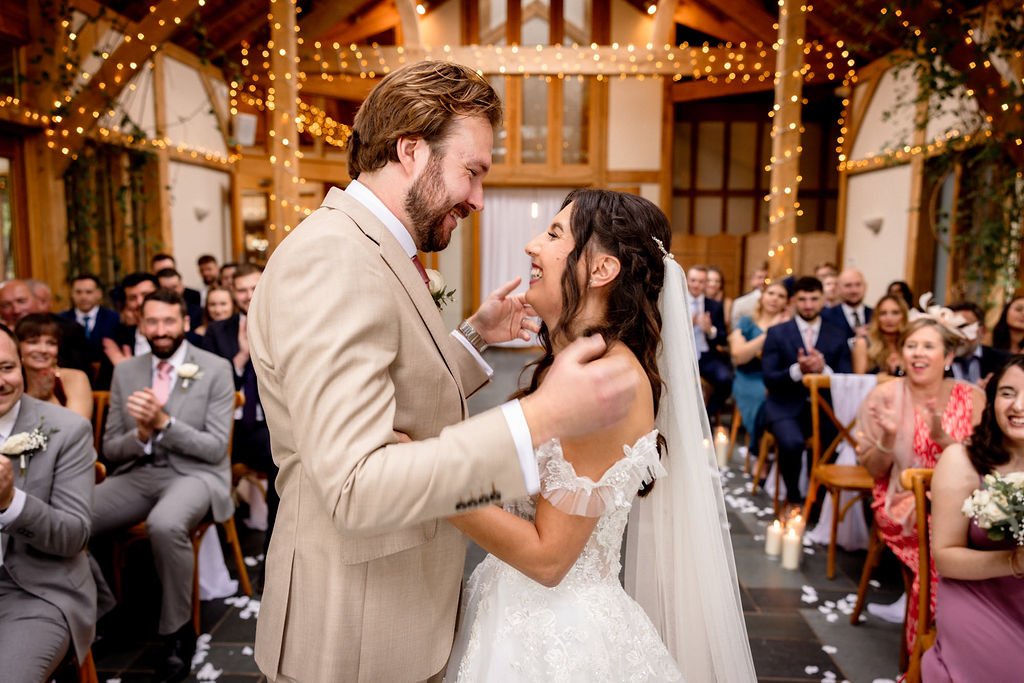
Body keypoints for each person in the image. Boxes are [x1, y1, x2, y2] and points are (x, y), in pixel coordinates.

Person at [248, 61, 641, 683]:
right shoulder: (334, 259)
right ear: (411, 151)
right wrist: (538, 417)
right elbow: (356, 486)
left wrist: (471, 338)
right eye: (473, 172)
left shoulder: (377, 253)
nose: (479, 199)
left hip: (403, 610)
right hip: (355, 632)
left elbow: (391, 381)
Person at [446, 189, 755, 682]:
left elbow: (550, 559)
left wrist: (434, 488)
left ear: (601, 270)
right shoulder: (580, 363)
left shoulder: (601, 384)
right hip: (521, 613)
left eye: (552, 234)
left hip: (556, 642)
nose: (531, 247)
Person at [91, 289, 235, 682]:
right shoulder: (126, 372)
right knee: (71, 517)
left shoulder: (216, 367)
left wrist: (163, 424)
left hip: (196, 475)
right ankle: (106, 612)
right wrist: (139, 434)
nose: (160, 330)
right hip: (138, 473)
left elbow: (213, 448)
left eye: (169, 321)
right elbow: (112, 449)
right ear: (141, 324)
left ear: (184, 323)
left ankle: (177, 633)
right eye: (152, 321)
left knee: (166, 524)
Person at [855, 316, 984, 652]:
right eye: (912, 345)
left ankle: (969, 634)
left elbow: (986, 462)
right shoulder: (883, 396)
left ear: (949, 357)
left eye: (928, 346)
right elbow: (873, 469)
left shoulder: (972, 398)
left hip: (965, 501)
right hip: (902, 500)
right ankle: (930, 651)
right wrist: (888, 437)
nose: (918, 353)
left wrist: (943, 438)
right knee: (943, 549)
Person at [0, 323, 99, 683]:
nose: (0, 381)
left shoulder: (66, 429)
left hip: (35, 590)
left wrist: (10, 502)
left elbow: (75, 536)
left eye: (6, 368)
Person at [922, 356, 1024, 681]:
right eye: (1007, 393)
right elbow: (945, 557)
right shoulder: (963, 460)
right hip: (979, 597)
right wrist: (1014, 563)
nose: (1018, 405)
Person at [201, 264, 278, 557]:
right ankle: (221, 557)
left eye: (255, 287)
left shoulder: (282, 325)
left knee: (281, 462)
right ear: (233, 293)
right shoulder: (217, 332)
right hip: (223, 429)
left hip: (265, 428)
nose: (249, 295)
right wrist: (241, 357)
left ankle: (272, 557)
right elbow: (209, 386)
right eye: (243, 289)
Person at [762, 276, 852, 507]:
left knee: (833, 443)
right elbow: (769, 379)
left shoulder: (838, 333)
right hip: (784, 404)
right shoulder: (777, 332)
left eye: (814, 299)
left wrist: (824, 369)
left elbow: (846, 378)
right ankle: (794, 497)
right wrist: (797, 369)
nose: (809, 305)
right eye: (802, 299)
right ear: (793, 301)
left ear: (823, 299)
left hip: (824, 407)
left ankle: (818, 501)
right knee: (791, 443)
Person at [729, 282, 789, 458]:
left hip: (778, 378)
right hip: (749, 377)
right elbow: (739, 355)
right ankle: (758, 453)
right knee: (763, 398)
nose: (775, 299)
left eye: (781, 296)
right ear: (762, 296)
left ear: (786, 302)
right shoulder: (747, 322)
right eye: (771, 293)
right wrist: (769, 333)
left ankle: (779, 453)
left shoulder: (789, 325)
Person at [15, 314, 93, 421]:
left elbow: (77, 429)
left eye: (51, 343)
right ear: (17, 346)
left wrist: (49, 397)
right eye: (33, 342)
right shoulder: (9, 380)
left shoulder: (75, 378)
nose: (43, 349)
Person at [685, 265, 732, 420]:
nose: (696, 285)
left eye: (701, 281)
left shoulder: (714, 306)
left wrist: (710, 330)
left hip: (705, 355)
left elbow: (723, 338)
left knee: (726, 379)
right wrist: (687, 324)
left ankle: (707, 416)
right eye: (693, 280)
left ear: (706, 284)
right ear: (686, 280)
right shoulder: (676, 303)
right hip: (682, 356)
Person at [59, 274, 120, 369]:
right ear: (72, 294)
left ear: (99, 293)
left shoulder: (114, 318)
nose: (83, 297)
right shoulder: (61, 320)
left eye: (89, 292)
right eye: (78, 292)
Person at [948, 301, 1010, 387]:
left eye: (962, 327)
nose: (956, 334)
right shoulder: (936, 362)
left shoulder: (1004, 361)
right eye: (950, 328)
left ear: (982, 331)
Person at [852, 294, 908, 376]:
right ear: (876, 317)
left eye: (895, 313)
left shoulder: (911, 343)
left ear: (904, 316)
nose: (889, 318)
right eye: (883, 313)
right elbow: (860, 382)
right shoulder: (863, 343)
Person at [822, 267, 872, 341]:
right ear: (838, 288)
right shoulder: (826, 317)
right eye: (848, 285)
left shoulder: (876, 315)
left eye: (858, 285)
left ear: (865, 287)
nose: (854, 290)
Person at [730, 262, 768, 328]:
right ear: (751, 280)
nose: (763, 281)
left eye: (765, 278)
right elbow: (735, 326)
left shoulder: (772, 301)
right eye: (759, 277)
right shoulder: (740, 302)